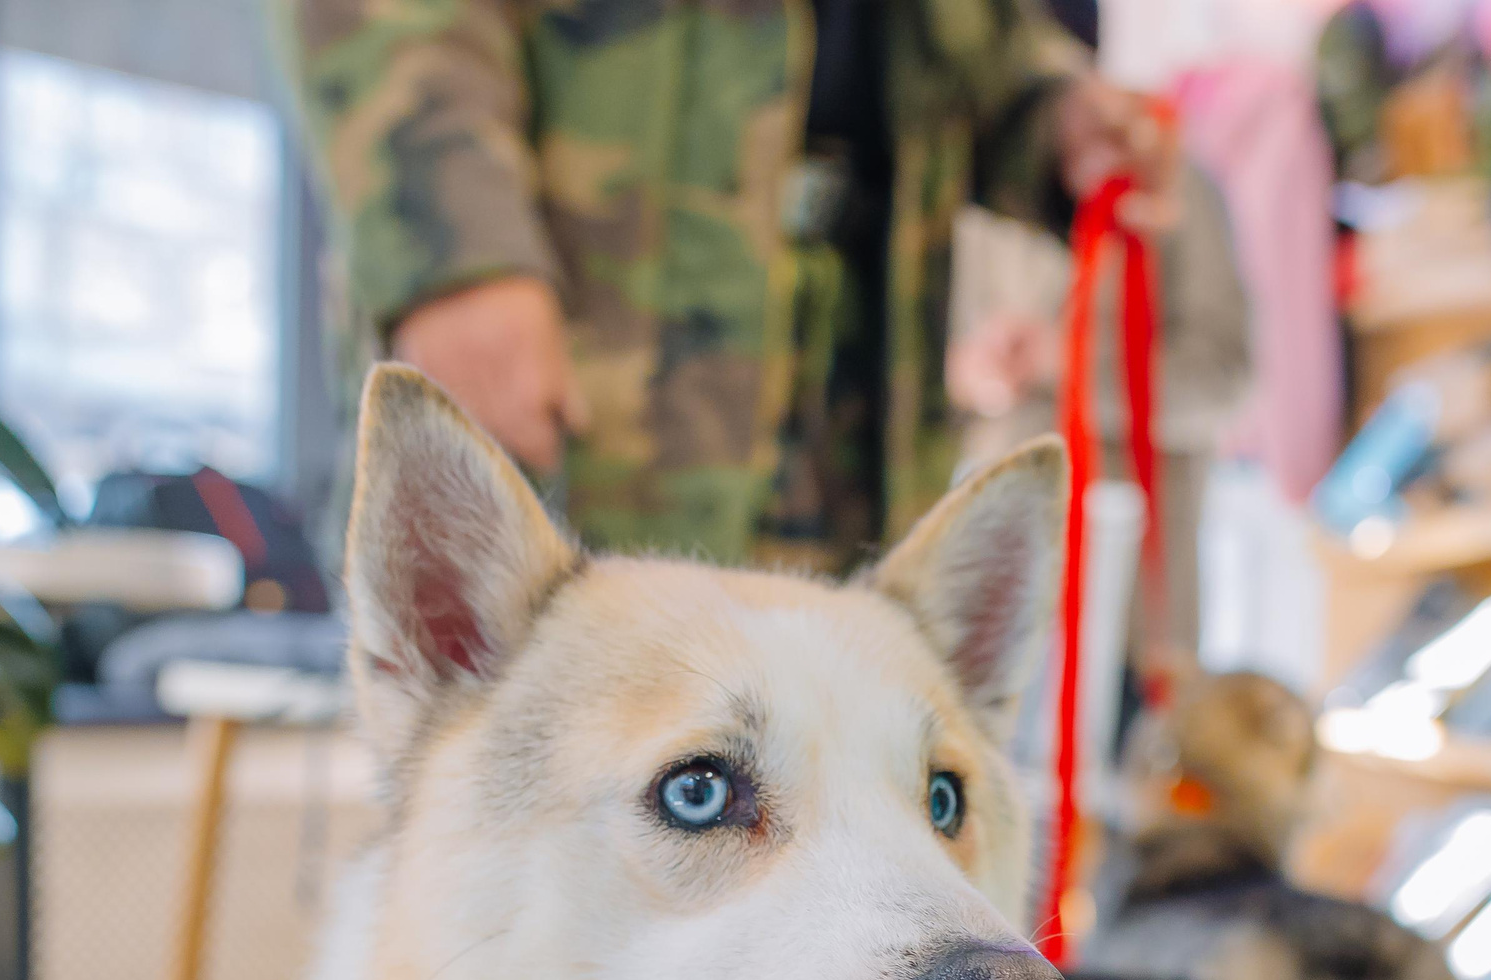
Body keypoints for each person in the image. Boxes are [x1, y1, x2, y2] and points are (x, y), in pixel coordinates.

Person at [273, 0, 1177, 571]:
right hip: (593, 361)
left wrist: (1051, 112)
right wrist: (457, 252)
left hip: (857, 400)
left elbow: (956, 39)